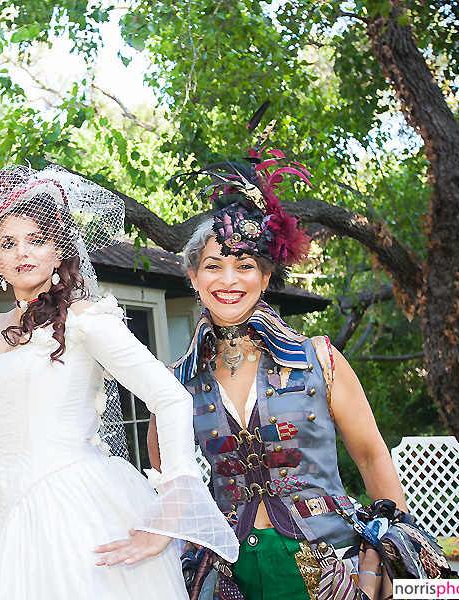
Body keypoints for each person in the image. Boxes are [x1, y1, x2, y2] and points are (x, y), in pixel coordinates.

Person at [0, 165, 238, 600]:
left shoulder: (86, 320)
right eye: (8, 243)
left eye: (36, 240)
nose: (22, 252)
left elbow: (169, 396)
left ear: (58, 252)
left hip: (68, 512)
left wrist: (172, 511)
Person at [148, 150, 408, 600]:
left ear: (266, 277)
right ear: (192, 276)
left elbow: (371, 456)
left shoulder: (318, 360)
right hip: (228, 571)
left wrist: (396, 549)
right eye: (213, 265)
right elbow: (164, 470)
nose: (228, 279)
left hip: (327, 564)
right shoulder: (176, 381)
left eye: (245, 265)